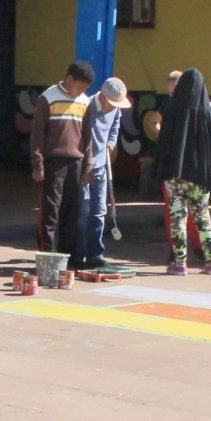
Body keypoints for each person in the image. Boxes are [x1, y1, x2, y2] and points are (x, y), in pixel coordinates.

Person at [154, 68, 211, 275]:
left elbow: (164, 142)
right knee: (203, 218)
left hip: (176, 175)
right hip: (201, 177)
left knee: (178, 218)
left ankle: (180, 263)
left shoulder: (172, 110)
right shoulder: (207, 114)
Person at [31, 61, 94, 265]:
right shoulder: (47, 98)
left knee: (71, 212)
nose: (82, 92)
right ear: (69, 79)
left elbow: (87, 137)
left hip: (76, 162)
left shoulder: (85, 102)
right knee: (51, 212)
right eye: (80, 87)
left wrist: (88, 167)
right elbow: (37, 134)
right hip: (53, 162)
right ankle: (47, 256)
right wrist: (38, 164)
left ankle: (67, 258)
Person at [78, 77, 136, 270]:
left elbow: (115, 127)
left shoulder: (115, 110)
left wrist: (111, 142)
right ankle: (77, 255)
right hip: (82, 167)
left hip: (101, 165)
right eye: (112, 103)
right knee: (83, 212)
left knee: (99, 211)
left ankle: (95, 255)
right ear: (102, 96)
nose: (114, 108)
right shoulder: (86, 107)